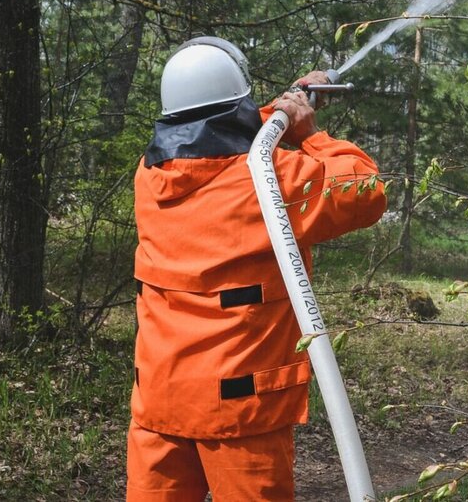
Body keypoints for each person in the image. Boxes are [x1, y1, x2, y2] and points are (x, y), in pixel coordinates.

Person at [127, 37, 387, 501]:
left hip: (160, 404)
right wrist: (310, 133)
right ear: (237, 106)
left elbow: (216, 134)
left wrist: (290, 102)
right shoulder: (272, 184)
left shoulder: (150, 178)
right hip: (240, 415)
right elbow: (365, 190)